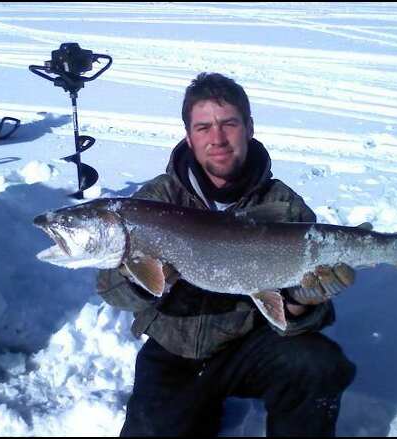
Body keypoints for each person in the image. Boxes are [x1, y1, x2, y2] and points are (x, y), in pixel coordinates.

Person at [97, 72, 356, 437]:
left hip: (249, 350)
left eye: (228, 123)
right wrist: (141, 281)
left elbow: (303, 320)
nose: (217, 139)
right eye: (203, 127)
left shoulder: (283, 206)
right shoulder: (155, 201)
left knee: (319, 365)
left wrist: (302, 302)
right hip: (174, 352)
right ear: (188, 135)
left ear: (249, 127)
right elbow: (109, 288)